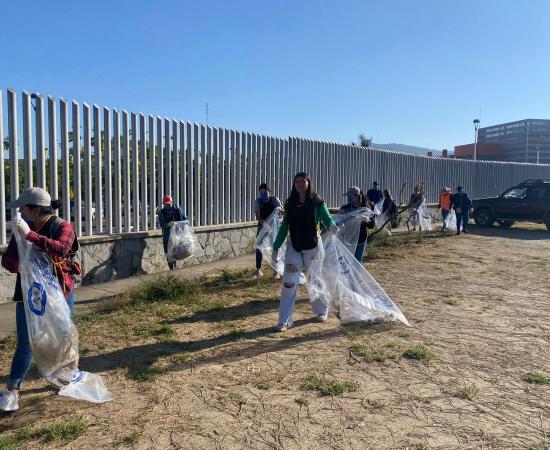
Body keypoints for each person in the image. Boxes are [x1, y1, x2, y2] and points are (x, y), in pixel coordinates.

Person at [0, 187, 80, 412]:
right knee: (26, 342)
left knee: (63, 334)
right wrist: (20, 260)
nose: (21, 213)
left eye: (24, 208)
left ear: (35, 210)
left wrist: (30, 236)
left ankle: (65, 375)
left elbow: (62, 249)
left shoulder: (62, 226)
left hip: (59, 291)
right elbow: (8, 261)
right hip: (30, 294)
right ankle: (13, 390)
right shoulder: (22, 228)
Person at [271, 172, 338, 332]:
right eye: (297, 182)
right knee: (289, 283)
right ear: (294, 184)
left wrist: (332, 225)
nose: (300, 184)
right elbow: (284, 226)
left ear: (308, 183)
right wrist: (276, 246)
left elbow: (327, 218)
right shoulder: (290, 203)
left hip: (313, 248)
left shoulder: (317, 202)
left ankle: (322, 310)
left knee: (315, 280)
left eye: (303, 181)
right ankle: (284, 320)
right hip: (294, 247)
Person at [253, 183, 283, 279]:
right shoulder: (258, 201)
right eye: (261, 192)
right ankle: (258, 270)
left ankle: (276, 271)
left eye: (265, 191)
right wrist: (265, 225)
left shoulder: (275, 199)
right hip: (262, 227)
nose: (263, 194)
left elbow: (282, 211)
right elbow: (258, 216)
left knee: (275, 248)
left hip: (274, 228)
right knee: (259, 247)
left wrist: (281, 210)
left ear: (270, 192)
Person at [338, 186, 373, 262]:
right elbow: (338, 220)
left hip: (361, 239)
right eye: (348, 196)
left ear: (358, 196)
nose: (349, 198)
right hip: (348, 240)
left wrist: (367, 220)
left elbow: (371, 225)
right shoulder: (345, 209)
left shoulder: (365, 208)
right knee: (347, 263)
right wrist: (340, 226)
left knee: (357, 263)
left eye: (351, 196)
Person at [157, 195, 188, 270]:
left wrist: (179, 223)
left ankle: (175, 268)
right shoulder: (161, 213)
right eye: (165, 204)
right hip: (167, 237)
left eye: (168, 204)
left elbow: (186, 220)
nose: (167, 206)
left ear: (171, 202)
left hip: (178, 236)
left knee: (176, 252)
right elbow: (162, 225)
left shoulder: (178, 210)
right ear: (163, 204)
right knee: (168, 253)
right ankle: (172, 269)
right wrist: (168, 224)